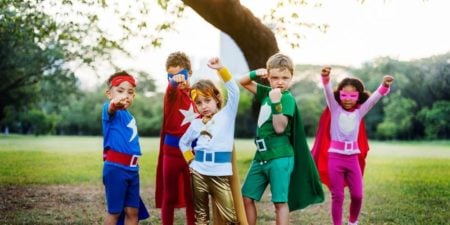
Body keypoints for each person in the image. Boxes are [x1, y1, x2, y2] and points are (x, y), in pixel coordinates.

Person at [239, 53, 324, 225]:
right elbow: (243, 82)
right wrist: (256, 73)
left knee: (279, 202)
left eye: (285, 78)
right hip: (261, 156)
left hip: (280, 157)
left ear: (291, 78)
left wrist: (277, 104)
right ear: (268, 77)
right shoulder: (265, 92)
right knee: (246, 197)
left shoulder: (286, 99)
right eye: (275, 77)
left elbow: (279, 128)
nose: (280, 81)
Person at [317, 67, 394, 225]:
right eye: (344, 94)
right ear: (339, 95)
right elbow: (327, 92)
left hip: (352, 158)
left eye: (352, 95)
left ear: (358, 97)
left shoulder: (360, 112)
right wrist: (325, 77)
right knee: (337, 196)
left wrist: (384, 85)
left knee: (358, 195)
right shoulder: (335, 108)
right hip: (335, 158)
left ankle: (353, 222)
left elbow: (374, 99)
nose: (348, 99)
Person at [178, 57, 247, 225]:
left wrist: (221, 69)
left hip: (220, 173)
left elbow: (234, 92)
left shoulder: (226, 115)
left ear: (216, 98)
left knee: (230, 217)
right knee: (201, 217)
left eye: (207, 100)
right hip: (198, 172)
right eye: (199, 103)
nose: (204, 106)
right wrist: (191, 161)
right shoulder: (195, 123)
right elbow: (183, 142)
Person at [101, 71, 149, 225]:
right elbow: (112, 107)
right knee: (114, 212)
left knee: (132, 212)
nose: (125, 95)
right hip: (116, 168)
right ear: (109, 94)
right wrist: (115, 103)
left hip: (133, 169)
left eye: (130, 92)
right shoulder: (109, 111)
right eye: (120, 91)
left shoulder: (129, 116)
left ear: (134, 96)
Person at [155, 51, 196, 225]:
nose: (177, 79)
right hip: (171, 152)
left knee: (193, 196)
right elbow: (172, 87)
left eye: (181, 75)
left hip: (192, 154)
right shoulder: (171, 94)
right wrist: (173, 81)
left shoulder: (197, 95)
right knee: (169, 195)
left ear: (190, 73)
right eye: (171, 75)